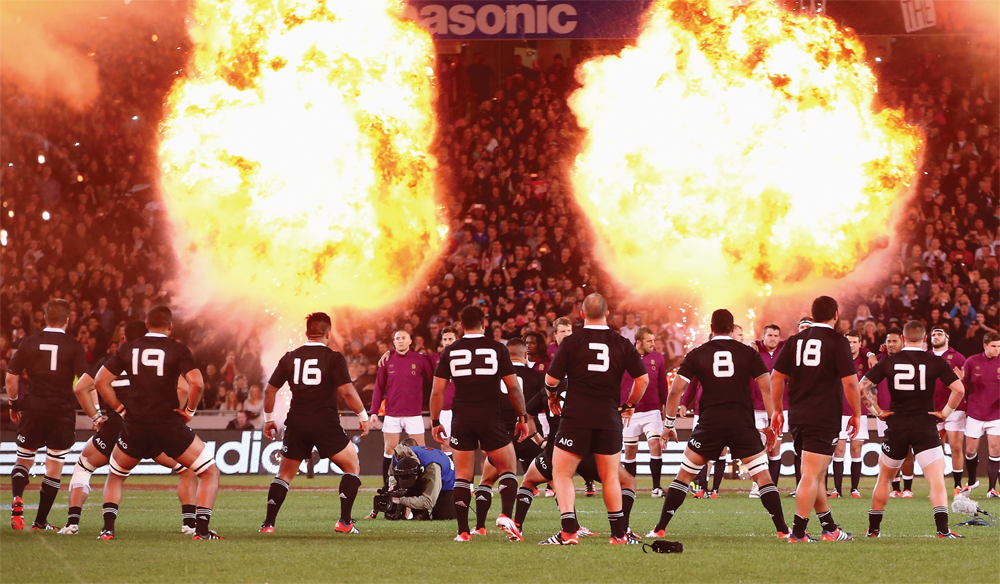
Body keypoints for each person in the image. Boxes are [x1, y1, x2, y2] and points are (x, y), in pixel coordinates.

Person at [648, 309, 789, 539]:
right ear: (732, 328)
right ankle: (783, 530)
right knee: (763, 477)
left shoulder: (697, 354)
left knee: (684, 476)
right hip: (742, 423)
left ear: (711, 328)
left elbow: (675, 391)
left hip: (709, 423)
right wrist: (774, 419)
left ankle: (660, 528)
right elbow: (767, 388)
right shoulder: (748, 352)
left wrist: (669, 424)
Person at [58, 321, 197, 535]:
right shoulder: (165, 359)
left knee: (87, 466)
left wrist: (96, 417)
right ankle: (190, 525)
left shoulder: (113, 361)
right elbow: (183, 388)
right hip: (158, 426)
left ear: (124, 340)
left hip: (119, 427)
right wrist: (177, 413)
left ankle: (75, 524)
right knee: (186, 469)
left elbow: (80, 388)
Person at [94, 306, 219, 540]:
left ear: (147, 324)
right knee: (208, 471)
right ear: (170, 325)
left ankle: (107, 530)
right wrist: (189, 410)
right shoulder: (177, 349)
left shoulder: (128, 349)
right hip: (167, 426)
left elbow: (101, 382)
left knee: (116, 475)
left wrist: (120, 409)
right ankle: (200, 530)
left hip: (134, 426)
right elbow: (197, 384)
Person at [540, 293, 649, 546]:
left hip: (576, 416)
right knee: (610, 476)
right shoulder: (622, 342)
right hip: (609, 417)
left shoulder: (571, 341)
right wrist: (630, 405)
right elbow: (642, 380)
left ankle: (568, 532)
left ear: (581, 313)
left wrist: (552, 397)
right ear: (607, 313)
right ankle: (618, 535)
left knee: (562, 472)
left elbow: (551, 380)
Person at [259, 312, 371, 534]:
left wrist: (269, 420)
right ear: (328, 333)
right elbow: (347, 391)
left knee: (284, 475)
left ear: (306, 333)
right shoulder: (334, 357)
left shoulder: (290, 357)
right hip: (324, 422)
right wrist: (363, 417)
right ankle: (345, 523)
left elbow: (270, 390)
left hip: (297, 422)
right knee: (352, 467)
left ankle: (268, 525)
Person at [430, 305, 529, 542]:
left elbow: (437, 391)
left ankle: (463, 532)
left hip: (461, 417)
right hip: (490, 416)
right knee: (507, 468)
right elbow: (513, 387)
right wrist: (522, 417)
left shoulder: (450, 351)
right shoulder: (497, 349)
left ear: (461, 326)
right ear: (484, 324)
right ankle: (505, 514)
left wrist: (435, 421)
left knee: (463, 476)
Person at [859, 320, 966, 538]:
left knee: (885, 479)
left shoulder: (890, 361)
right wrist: (945, 413)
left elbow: (862, 387)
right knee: (935, 480)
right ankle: (943, 530)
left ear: (904, 338)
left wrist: (877, 411)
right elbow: (959, 389)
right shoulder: (934, 361)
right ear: (925, 339)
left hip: (897, 425)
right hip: (925, 424)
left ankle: (873, 529)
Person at [770, 296, 861, 543]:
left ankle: (829, 528)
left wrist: (777, 411)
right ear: (836, 315)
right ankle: (798, 533)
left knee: (815, 474)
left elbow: (776, 378)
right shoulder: (837, 341)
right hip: (823, 416)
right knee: (811, 474)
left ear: (812, 315)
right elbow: (851, 383)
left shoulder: (794, 340)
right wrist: (856, 413)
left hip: (798, 416)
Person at [5, 299, 88, 530]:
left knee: (24, 459)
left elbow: (11, 378)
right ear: (67, 321)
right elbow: (83, 382)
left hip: (34, 408)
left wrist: (14, 404)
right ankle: (40, 522)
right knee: (54, 467)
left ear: (44, 319)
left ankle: (17, 500)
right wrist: (94, 411)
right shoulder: (74, 346)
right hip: (61, 412)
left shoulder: (29, 342)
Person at [471, 337, 543, 535]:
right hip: (527, 435)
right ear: (526, 354)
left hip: (499, 436)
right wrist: (540, 440)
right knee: (556, 478)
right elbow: (535, 412)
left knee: (486, 480)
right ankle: (571, 526)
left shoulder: (493, 376)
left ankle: (480, 527)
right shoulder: (537, 377)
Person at [371, 330, 433, 489]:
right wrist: (374, 411)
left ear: (410, 341)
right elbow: (378, 387)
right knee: (389, 449)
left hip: (414, 413)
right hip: (392, 413)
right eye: (397, 338)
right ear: (394, 342)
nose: (400, 341)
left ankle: (421, 487)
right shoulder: (387, 361)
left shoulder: (419, 360)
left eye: (403, 338)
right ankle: (387, 487)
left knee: (419, 450)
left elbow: (433, 381)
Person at [621, 326, 668, 498]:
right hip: (630, 412)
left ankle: (656, 487)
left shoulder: (658, 358)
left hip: (652, 410)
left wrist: (665, 407)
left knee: (655, 446)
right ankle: (629, 487)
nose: (653, 344)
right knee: (630, 451)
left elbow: (663, 385)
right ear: (639, 342)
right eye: (649, 341)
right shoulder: (625, 357)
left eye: (653, 340)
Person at [831, 330, 875, 499]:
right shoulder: (838, 359)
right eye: (848, 342)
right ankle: (837, 490)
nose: (851, 345)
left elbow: (874, 357)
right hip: (839, 411)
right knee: (839, 450)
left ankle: (854, 489)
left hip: (859, 411)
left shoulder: (864, 359)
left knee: (856, 450)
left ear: (860, 344)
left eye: (854, 342)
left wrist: (869, 352)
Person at [927, 326, 969, 493]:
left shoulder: (958, 357)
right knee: (936, 449)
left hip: (955, 407)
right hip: (931, 406)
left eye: (939, 334)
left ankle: (957, 485)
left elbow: (967, 384)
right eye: (933, 335)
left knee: (956, 447)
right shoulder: (925, 357)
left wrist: (961, 380)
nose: (935, 337)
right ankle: (938, 485)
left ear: (947, 337)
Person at [962, 332, 1000, 498]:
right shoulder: (972, 361)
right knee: (970, 451)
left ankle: (992, 488)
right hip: (975, 412)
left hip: (996, 413)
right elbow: (963, 385)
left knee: (995, 449)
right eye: (993, 346)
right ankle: (972, 481)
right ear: (985, 345)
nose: (997, 349)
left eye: (999, 346)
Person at [750, 324, 786, 495]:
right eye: (769, 335)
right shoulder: (754, 351)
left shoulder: (784, 351)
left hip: (779, 408)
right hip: (757, 407)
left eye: (776, 335)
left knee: (775, 448)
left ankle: (772, 487)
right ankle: (757, 485)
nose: (772, 338)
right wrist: (752, 343)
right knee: (758, 448)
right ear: (763, 336)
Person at [386, 439, 456, 520]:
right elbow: (391, 474)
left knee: (443, 516)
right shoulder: (397, 456)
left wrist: (399, 500)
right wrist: (392, 486)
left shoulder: (433, 466)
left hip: (447, 479)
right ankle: (420, 514)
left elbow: (428, 502)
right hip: (423, 468)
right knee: (409, 489)